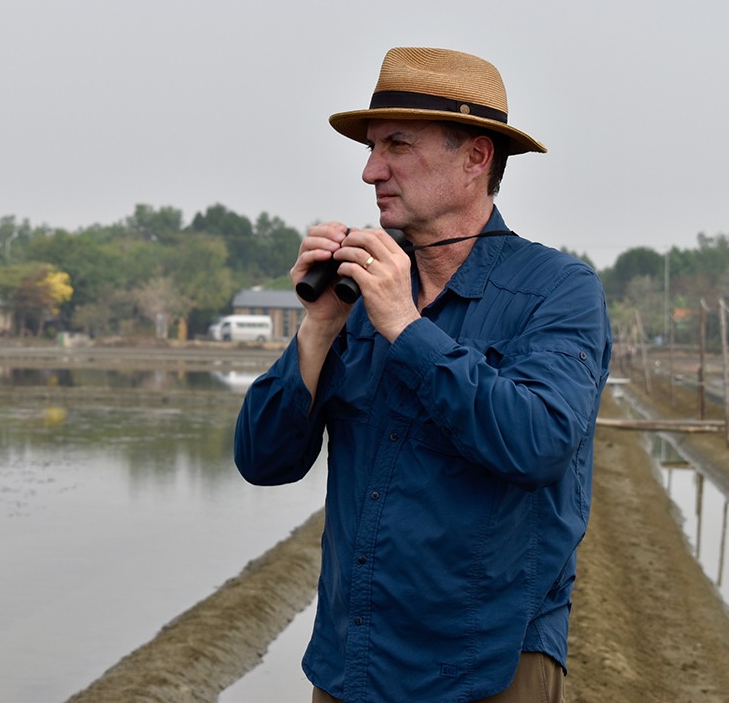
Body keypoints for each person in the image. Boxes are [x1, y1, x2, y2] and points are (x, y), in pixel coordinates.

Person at [234, 47, 612, 702]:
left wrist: (406, 328)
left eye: (398, 146)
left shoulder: (558, 291)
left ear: (476, 157)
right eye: (372, 147)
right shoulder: (355, 296)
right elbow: (263, 460)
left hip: (488, 665)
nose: (370, 170)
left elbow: (539, 443)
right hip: (351, 665)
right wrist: (319, 325)